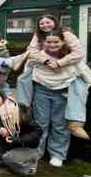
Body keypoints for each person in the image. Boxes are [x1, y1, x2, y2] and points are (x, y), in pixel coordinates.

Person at [16, 14, 88, 139]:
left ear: (55, 22)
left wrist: (60, 63)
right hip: (43, 74)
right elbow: (32, 51)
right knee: (23, 78)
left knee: (79, 85)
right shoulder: (37, 35)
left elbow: (79, 52)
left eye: (48, 22)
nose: (45, 25)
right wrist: (46, 61)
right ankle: (23, 109)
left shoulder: (67, 34)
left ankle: (76, 121)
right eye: (42, 23)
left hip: (66, 68)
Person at [26, 30, 80, 166]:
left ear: (62, 42)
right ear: (44, 42)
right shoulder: (39, 55)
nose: (52, 44)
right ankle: (37, 152)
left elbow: (79, 69)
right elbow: (28, 65)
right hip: (42, 89)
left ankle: (58, 154)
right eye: (49, 42)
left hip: (62, 91)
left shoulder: (69, 56)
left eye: (56, 42)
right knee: (40, 123)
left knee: (60, 124)